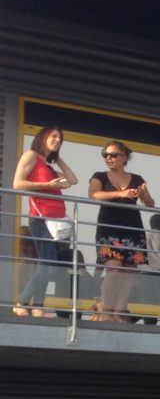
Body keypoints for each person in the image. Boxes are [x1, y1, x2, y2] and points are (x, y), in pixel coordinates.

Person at [12, 126, 79, 317]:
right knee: (48, 263)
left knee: (47, 263)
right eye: (54, 136)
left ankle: (38, 307)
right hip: (41, 219)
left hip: (56, 222)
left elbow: (73, 180)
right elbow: (17, 183)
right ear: (42, 137)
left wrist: (57, 158)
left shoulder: (48, 165)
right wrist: (46, 186)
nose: (57, 140)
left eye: (60, 138)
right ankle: (22, 302)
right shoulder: (31, 155)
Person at [87, 141, 154, 322]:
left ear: (124, 157)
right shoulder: (99, 176)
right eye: (106, 154)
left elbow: (150, 203)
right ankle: (107, 311)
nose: (109, 158)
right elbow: (93, 194)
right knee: (114, 268)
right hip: (109, 227)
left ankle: (118, 312)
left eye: (114, 155)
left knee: (129, 270)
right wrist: (120, 194)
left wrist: (143, 194)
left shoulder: (137, 178)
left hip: (132, 228)